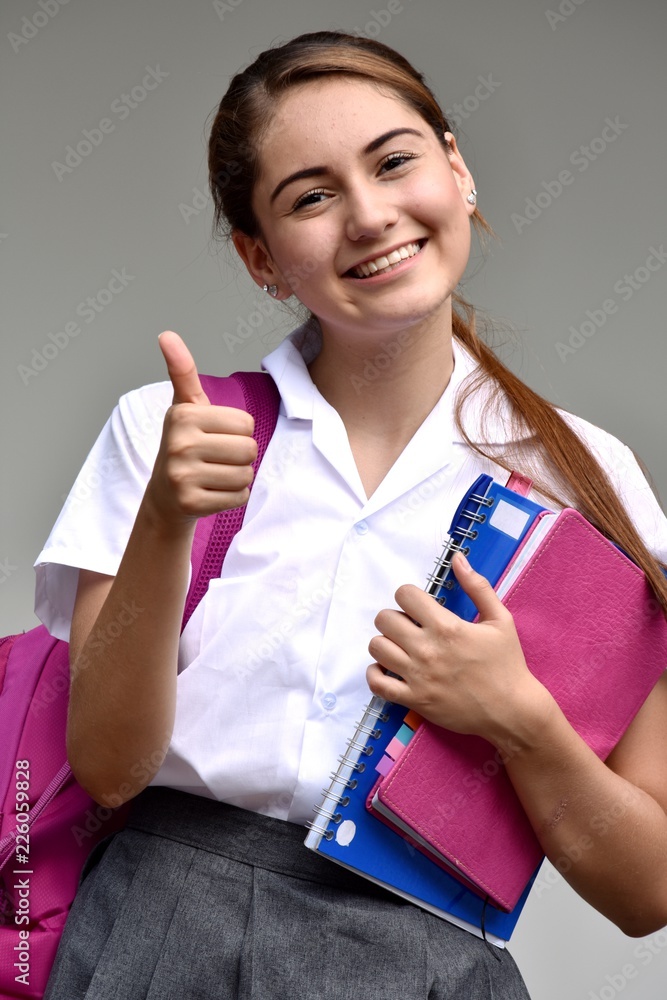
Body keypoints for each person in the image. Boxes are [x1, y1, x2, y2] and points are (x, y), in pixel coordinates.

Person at [39, 29, 667, 1000]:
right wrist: (166, 520)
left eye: (395, 162)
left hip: (422, 964)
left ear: (456, 171)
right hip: (161, 939)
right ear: (261, 256)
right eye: (312, 196)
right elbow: (108, 767)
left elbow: (648, 890)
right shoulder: (174, 432)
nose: (370, 216)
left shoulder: (589, 480)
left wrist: (520, 720)